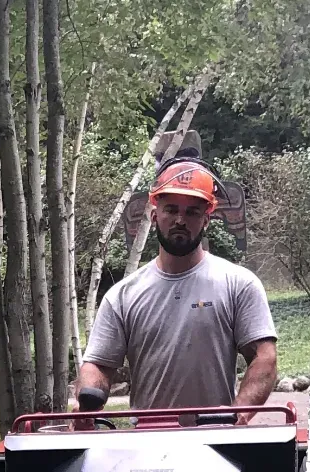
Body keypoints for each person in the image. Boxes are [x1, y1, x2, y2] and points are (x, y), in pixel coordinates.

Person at [78, 159, 278, 418]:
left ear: (206, 219)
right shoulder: (123, 295)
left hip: (215, 439)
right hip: (146, 444)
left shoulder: (238, 284)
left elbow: (265, 357)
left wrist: (238, 415)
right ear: (154, 215)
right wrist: (88, 401)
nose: (180, 220)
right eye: (171, 209)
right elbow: (98, 364)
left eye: (192, 212)